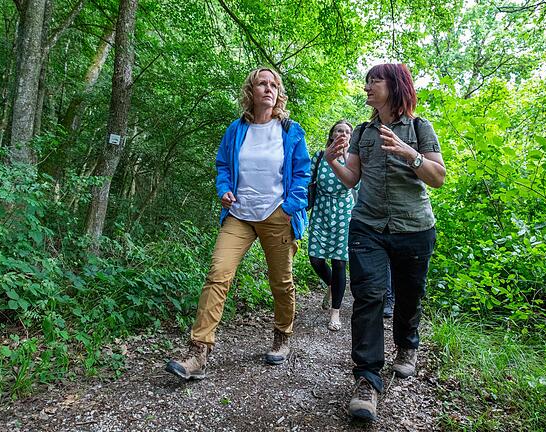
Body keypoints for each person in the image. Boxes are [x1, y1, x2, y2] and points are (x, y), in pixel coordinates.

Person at [165, 67, 310, 381]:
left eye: (273, 85)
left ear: (278, 92)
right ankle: (198, 352)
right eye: (262, 84)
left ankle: (283, 335)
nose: (268, 89)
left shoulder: (290, 130)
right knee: (218, 273)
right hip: (239, 215)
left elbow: (302, 173)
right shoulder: (236, 130)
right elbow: (222, 166)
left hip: (277, 215)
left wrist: (290, 207)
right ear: (251, 91)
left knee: (281, 281)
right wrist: (224, 189)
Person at [325, 63, 446, 421]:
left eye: (374, 81)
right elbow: (351, 179)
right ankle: (367, 379)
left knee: (409, 296)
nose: (367, 87)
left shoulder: (420, 127)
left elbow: (437, 177)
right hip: (368, 227)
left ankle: (407, 345)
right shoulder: (363, 132)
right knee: (369, 297)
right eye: (367, 81)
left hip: (414, 228)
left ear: (395, 86)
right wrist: (334, 161)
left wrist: (410, 154)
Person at [308, 120, 356, 332]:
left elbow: (357, 184)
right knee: (316, 259)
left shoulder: (354, 159)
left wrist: (346, 158)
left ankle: (335, 312)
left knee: (339, 263)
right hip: (321, 209)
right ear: (331, 134)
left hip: (344, 212)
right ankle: (330, 284)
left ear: (351, 137)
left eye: (347, 131)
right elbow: (307, 179)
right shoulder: (319, 156)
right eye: (339, 130)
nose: (342, 134)